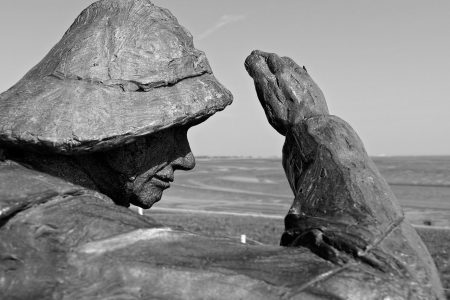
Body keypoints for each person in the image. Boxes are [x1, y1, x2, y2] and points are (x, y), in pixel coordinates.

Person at [0, 1, 444, 299]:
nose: (188, 158)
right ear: (114, 128)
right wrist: (315, 131)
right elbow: (397, 287)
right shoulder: (65, 238)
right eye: (174, 128)